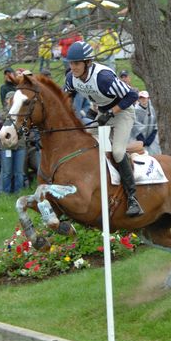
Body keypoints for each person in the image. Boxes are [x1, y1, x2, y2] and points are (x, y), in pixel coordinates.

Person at [63, 41, 142, 217]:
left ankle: (132, 198)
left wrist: (112, 112)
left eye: (77, 63)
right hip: (103, 113)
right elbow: (65, 98)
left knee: (118, 152)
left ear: (88, 62)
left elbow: (133, 95)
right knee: (82, 144)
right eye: (71, 63)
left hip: (122, 113)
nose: (73, 67)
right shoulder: (71, 78)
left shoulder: (103, 78)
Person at [0, 91, 26, 194]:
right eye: (9, 99)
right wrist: (11, 108)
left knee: (19, 172)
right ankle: (6, 193)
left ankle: (18, 193)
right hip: (6, 146)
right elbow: (3, 119)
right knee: (7, 172)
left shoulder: (22, 111)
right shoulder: (3, 111)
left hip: (20, 145)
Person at [131, 91, 161, 155]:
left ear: (148, 98)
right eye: (141, 98)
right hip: (138, 139)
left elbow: (156, 123)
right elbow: (134, 125)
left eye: (145, 98)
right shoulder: (135, 110)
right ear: (139, 99)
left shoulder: (153, 109)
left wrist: (151, 137)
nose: (143, 99)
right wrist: (141, 139)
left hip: (152, 139)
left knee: (155, 155)